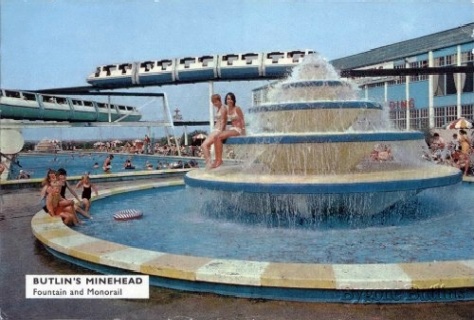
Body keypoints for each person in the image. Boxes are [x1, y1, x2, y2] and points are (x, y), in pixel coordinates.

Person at [212, 92, 246, 168]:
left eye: (231, 99)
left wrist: (244, 132)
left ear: (233, 100)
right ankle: (217, 159)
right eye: (228, 99)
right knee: (215, 137)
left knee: (219, 137)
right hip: (231, 128)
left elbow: (242, 120)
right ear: (226, 100)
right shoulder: (226, 109)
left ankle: (220, 160)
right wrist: (221, 130)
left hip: (238, 129)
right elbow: (224, 121)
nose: (229, 100)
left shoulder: (237, 108)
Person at [201, 93, 228, 168]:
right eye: (213, 102)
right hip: (216, 129)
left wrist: (221, 132)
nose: (214, 104)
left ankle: (209, 164)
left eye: (215, 102)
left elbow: (223, 121)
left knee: (204, 145)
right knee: (206, 145)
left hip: (218, 130)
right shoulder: (219, 109)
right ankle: (211, 162)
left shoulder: (223, 108)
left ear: (219, 100)